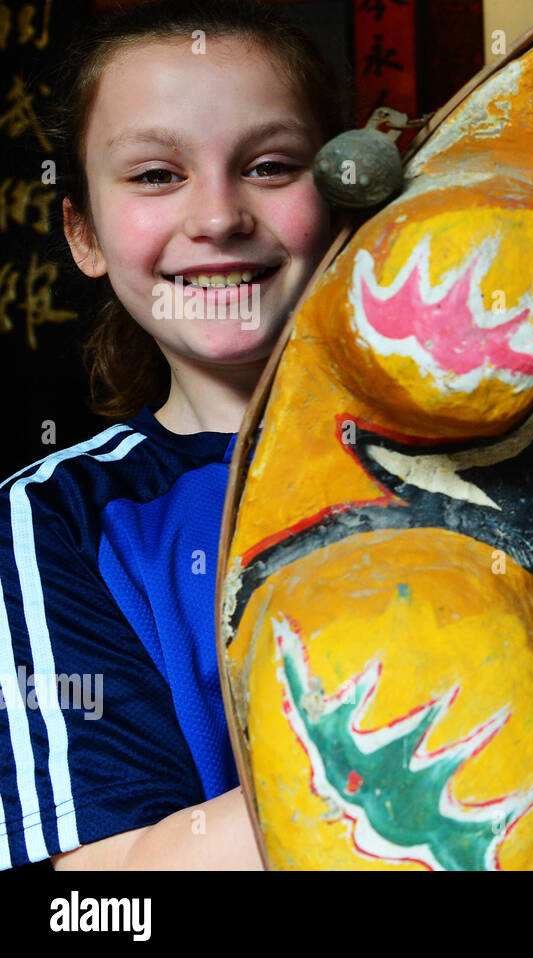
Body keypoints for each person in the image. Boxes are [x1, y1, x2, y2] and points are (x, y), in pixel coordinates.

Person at [0, 0, 341, 869]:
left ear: (345, 192)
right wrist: (385, 755)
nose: (219, 216)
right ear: (82, 230)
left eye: (269, 165)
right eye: (156, 175)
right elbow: (97, 895)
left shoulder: (494, 450)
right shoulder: (57, 520)